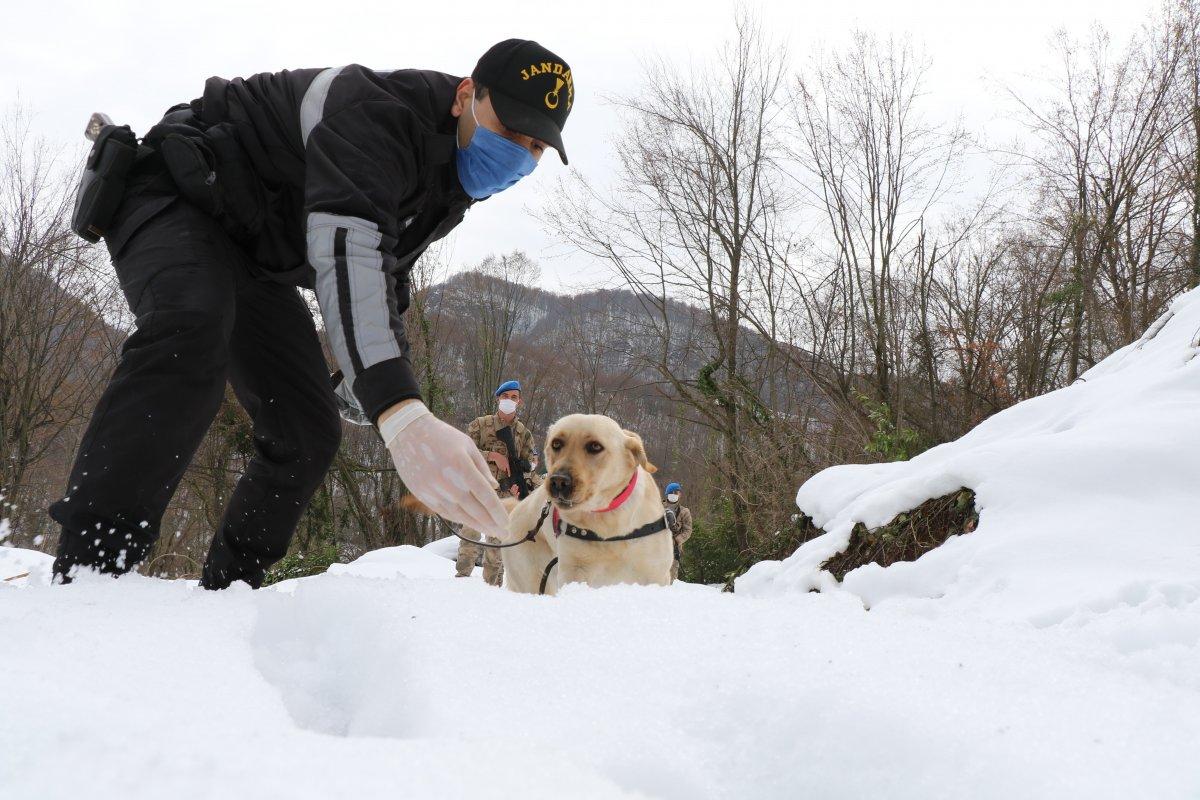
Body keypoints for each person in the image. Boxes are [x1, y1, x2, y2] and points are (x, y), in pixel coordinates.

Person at [50, 40, 574, 588]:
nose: (519, 153)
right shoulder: (375, 115)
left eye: (536, 146)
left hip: (254, 258)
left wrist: (368, 377)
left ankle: (230, 591)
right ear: (466, 95)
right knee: (191, 327)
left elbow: (388, 272)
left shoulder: (452, 179)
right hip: (179, 191)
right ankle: (93, 566)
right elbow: (349, 250)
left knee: (308, 428)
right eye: (510, 129)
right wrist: (400, 411)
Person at [454, 380, 536, 585]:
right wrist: (492, 455)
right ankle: (460, 582)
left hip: (506, 495)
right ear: (498, 398)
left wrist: (521, 485)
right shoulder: (480, 425)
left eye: (514, 397)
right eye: (505, 396)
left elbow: (530, 465)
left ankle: (492, 588)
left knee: (497, 546)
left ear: (519, 402)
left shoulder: (524, 433)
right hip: (478, 489)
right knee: (469, 537)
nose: (509, 400)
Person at [663, 482, 693, 582]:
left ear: (680, 494)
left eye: (676, 492)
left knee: (671, 578)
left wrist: (677, 540)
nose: (674, 494)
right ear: (667, 494)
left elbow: (688, 530)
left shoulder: (684, 511)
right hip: (657, 546)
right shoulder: (658, 507)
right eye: (671, 492)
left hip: (674, 548)